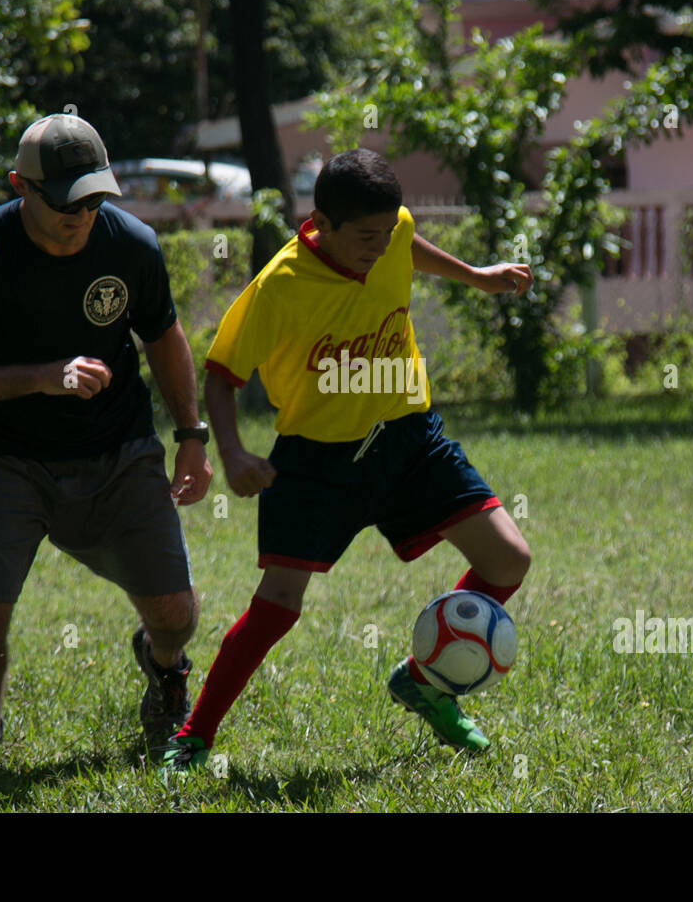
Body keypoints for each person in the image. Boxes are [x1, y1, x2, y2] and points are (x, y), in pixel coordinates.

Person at [162, 147, 532, 770]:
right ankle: (194, 735)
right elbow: (223, 373)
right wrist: (230, 451)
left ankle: (424, 681)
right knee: (277, 604)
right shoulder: (279, 285)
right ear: (322, 224)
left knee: (507, 559)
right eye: (365, 236)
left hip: (408, 438)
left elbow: (409, 243)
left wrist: (477, 275)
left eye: (386, 232)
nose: (379, 245)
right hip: (317, 461)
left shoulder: (393, 231)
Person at [0, 113, 213, 772]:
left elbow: (163, 335)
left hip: (117, 451)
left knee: (175, 613)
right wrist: (40, 378)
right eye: (66, 199)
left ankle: (164, 671)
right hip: (0, 457)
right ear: (21, 186)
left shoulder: (131, 245)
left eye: (95, 196)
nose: (83, 213)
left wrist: (191, 434)